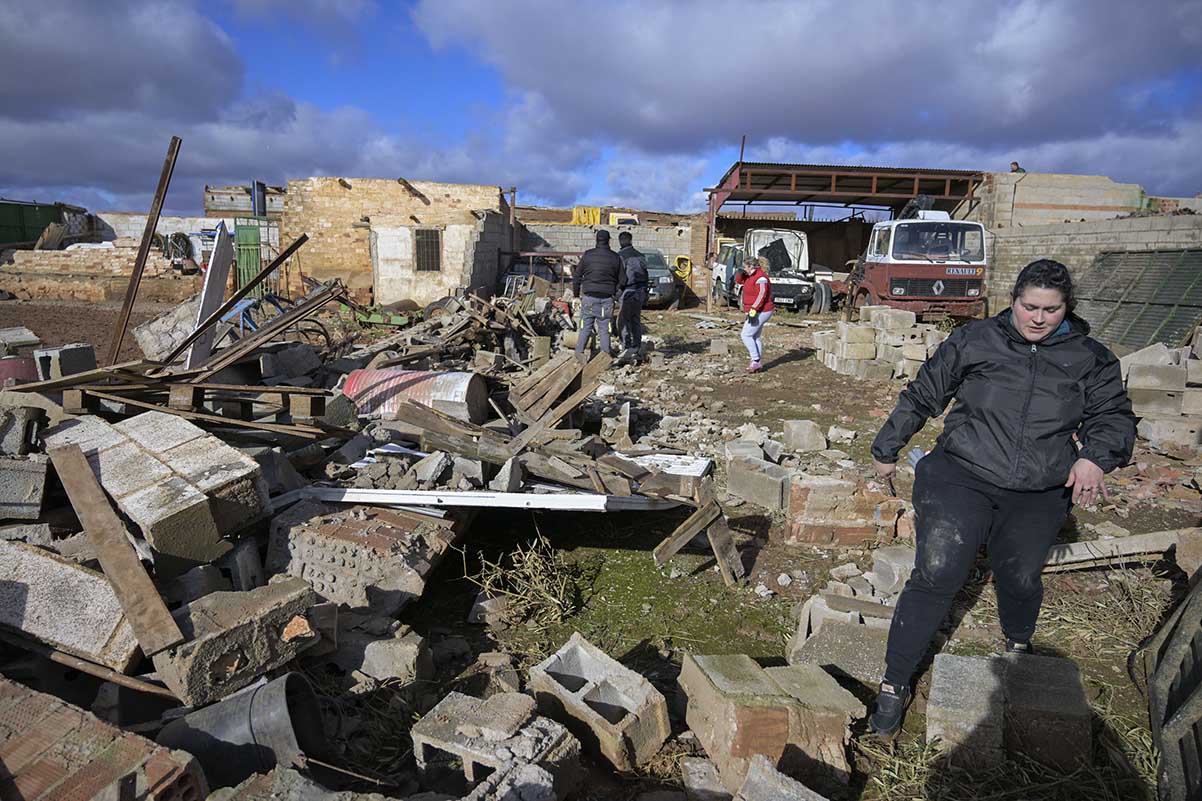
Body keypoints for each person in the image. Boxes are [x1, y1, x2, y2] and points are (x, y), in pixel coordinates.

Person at [866, 259, 1135, 736]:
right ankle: (894, 683)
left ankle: (1017, 645)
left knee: (1021, 575)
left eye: (1051, 310)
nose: (1038, 318)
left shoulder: (1090, 357)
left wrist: (1094, 457)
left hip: (1039, 487)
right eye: (1029, 306)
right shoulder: (975, 341)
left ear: (1066, 309)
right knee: (939, 571)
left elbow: (1113, 415)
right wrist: (888, 447)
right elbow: (924, 394)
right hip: (961, 473)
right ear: (1012, 300)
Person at [572, 230, 625, 357]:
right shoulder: (615, 257)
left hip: (589, 299)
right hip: (606, 300)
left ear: (596, 240)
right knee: (604, 329)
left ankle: (579, 355)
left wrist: (575, 295)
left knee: (585, 328)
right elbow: (623, 280)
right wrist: (614, 291)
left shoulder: (588, 255)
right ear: (609, 240)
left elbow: (577, 276)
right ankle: (605, 357)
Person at [735, 256, 774, 373]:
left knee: (745, 335)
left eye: (745, 267)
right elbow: (738, 281)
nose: (744, 269)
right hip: (756, 310)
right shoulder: (749, 276)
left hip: (762, 310)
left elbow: (761, 295)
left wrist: (753, 310)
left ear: (751, 266)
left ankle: (755, 360)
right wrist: (740, 273)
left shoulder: (761, 278)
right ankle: (756, 362)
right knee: (755, 336)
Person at [615, 231, 648, 366]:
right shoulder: (640, 256)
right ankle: (637, 346)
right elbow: (646, 274)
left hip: (627, 290)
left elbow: (621, 276)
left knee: (623, 319)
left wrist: (617, 290)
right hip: (640, 290)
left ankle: (626, 346)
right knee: (635, 319)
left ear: (621, 241)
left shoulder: (620, 256)